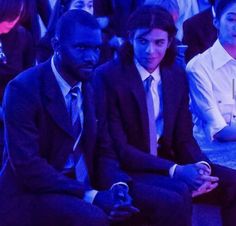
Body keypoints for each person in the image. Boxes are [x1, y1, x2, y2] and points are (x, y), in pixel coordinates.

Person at [96, 5, 236, 226]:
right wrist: (175, 171)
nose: (151, 50)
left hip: (169, 159)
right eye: (143, 41)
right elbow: (119, 148)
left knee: (232, 182)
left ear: (170, 42)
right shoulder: (109, 77)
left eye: (159, 42)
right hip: (131, 168)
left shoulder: (175, 75)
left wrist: (201, 166)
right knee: (175, 195)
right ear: (130, 39)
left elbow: (184, 138)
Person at [0, 10, 139, 226]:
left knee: (152, 203)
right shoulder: (22, 89)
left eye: (96, 48)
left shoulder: (92, 85)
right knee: (94, 218)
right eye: (81, 48)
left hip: (79, 181)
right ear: (56, 46)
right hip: (30, 192)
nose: (91, 57)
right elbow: (28, 166)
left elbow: (103, 149)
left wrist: (116, 187)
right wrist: (92, 196)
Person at [187, 0, 236, 142]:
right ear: (216, 22)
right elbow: (218, 129)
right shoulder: (199, 67)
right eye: (232, 19)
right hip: (213, 156)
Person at [0, 0, 35, 166]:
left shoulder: (22, 37)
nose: (9, 24)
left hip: (13, 107)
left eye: (15, 18)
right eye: (7, 18)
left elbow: (27, 78)